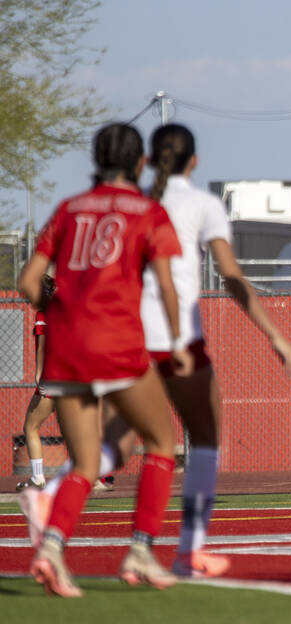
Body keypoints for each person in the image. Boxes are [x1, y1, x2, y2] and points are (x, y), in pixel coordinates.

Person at [26, 123, 291, 579]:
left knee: (113, 444)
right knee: (197, 438)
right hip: (166, 341)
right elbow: (229, 277)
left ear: (150, 162)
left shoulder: (109, 206)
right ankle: (183, 550)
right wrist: (272, 334)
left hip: (116, 338)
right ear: (192, 161)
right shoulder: (187, 205)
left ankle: (52, 495)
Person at [18, 122, 191, 597]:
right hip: (116, 344)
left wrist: (60, 307)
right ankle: (140, 550)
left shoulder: (69, 210)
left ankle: (51, 550)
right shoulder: (148, 211)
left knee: (85, 463)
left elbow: (28, 283)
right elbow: (167, 283)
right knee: (159, 441)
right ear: (141, 163)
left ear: (96, 161)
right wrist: (177, 341)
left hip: (67, 346)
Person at [16, 274, 57, 492]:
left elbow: (43, 347)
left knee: (30, 427)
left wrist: (39, 374)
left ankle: (38, 478)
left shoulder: (44, 314)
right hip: (72, 379)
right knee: (74, 431)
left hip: (52, 379)